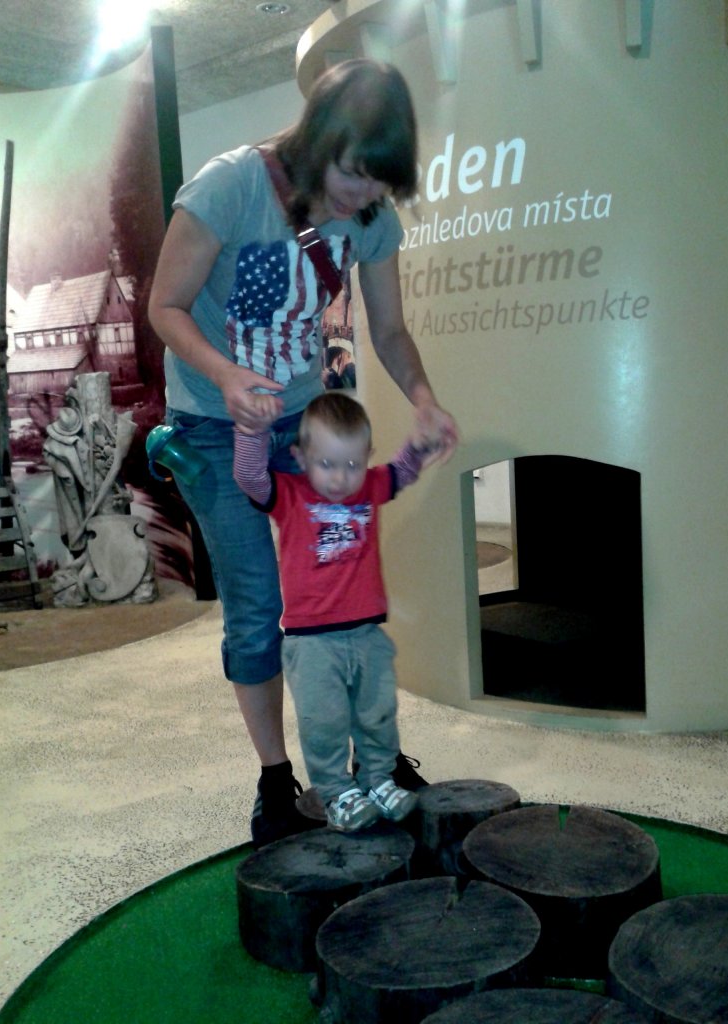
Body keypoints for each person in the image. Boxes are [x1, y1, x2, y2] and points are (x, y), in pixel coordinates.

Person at [147, 58, 458, 848]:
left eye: (379, 183)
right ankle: (275, 778)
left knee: (343, 587)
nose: (362, 196)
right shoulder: (230, 187)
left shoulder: (370, 216)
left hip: (303, 420)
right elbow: (165, 306)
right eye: (353, 173)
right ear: (318, 137)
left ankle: (371, 760)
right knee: (256, 609)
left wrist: (424, 399)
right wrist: (226, 377)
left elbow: (389, 330)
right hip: (215, 421)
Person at [234, 391, 440, 830]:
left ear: (366, 458)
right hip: (313, 643)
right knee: (324, 721)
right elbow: (250, 477)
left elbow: (402, 471)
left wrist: (420, 444)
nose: (341, 477)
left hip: (367, 634)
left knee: (377, 714)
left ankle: (377, 779)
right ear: (301, 457)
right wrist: (251, 433)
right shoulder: (290, 494)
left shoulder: (369, 487)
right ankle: (336, 793)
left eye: (352, 464)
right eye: (326, 464)